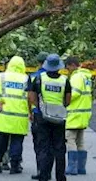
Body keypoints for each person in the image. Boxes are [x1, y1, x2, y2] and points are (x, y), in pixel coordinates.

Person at [0, 54, 29, 174]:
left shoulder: (1, 77)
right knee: (17, 142)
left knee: (1, 142)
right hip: (20, 116)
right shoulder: (26, 79)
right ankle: (15, 166)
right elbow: (31, 97)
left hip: (4, 115)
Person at [28, 53, 69, 181]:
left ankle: (44, 176)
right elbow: (68, 101)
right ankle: (60, 177)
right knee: (59, 148)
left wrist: (41, 108)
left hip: (42, 117)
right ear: (59, 66)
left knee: (44, 147)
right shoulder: (64, 80)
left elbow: (31, 98)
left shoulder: (39, 78)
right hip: (59, 117)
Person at [64, 57, 92, 176]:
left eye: (67, 67)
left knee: (70, 139)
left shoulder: (76, 77)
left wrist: (64, 100)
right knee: (80, 141)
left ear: (71, 65)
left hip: (74, 113)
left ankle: (72, 167)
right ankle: (81, 168)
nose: (67, 70)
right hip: (84, 114)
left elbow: (74, 94)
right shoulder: (86, 77)